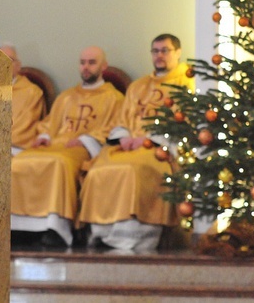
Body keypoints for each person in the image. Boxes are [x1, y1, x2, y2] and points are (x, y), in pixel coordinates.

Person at [77, 34, 195, 251]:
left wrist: (148, 139)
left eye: (165, 50)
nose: (159, 56)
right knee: (99, 170)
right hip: (129, 144)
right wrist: (124, 137)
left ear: (178, 53)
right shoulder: (138, 86)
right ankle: (102, 233)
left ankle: (134, 237)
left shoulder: (187, 83)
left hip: (160, 147)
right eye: (155, 51)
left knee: (134, 170)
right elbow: (122, 118)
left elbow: (185, 123)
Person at [11, 46, 124, 246]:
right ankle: (17, 227)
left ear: (103, 66)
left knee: (59, 164)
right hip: (55, 145)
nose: (86, 67)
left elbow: (113, 128)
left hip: (81, 150)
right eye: (82, 63)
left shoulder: (114, 98)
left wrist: (85, 140)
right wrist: (45, 135)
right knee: (17, 162)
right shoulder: (67, 96)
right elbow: (49, 123)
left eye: (92, 62)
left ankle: (55, 228)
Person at [0, 44, 46, 156]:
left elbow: (26, 125)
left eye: (9, 59)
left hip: (14, 148)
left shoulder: (32, 92)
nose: (4, 63)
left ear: (18, 65)